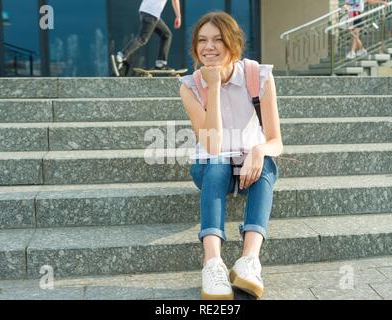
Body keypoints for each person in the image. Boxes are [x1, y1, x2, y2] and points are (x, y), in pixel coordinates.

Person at [178, 12, 283, 300]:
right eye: (202, 41)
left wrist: (259, 150)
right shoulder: (189, 87)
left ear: (233, 43)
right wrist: (212, 86)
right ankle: (212, 261)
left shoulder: (258, 76)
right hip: (210, 169)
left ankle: (249, 260)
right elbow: (212, 146)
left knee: (267, 164)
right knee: (218, 161)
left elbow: (276, 140)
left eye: (217, 39)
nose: (208, 47)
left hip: (249, 167)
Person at [111, 0, 181, 76]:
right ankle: (120, 56)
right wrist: (178, 16)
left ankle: (160, 64)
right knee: (142, 38)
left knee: (166, 35)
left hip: (145, 11)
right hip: (152, 13)